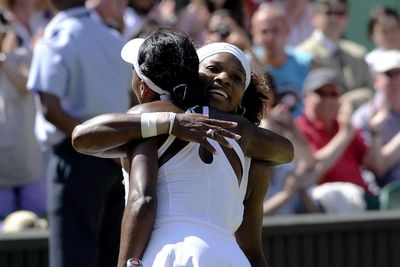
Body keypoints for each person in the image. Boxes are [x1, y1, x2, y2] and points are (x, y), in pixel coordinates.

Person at [72, 31, 293, 266]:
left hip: (172, 254)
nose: (224, 78)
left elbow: (141, 199)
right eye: (213, 68)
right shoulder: (250, 145)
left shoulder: (152, 118)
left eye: (237, 77)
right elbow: (252, 250)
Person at [26, 0, 133, 266]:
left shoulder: (55, 40)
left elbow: (50, 108)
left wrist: (94, 142)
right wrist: (110, 149)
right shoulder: (114, 39)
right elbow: (132, 100)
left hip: (76, 160)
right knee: (110, 256)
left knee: (72, 259)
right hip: (114, 163)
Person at [295, 68, 381, 212]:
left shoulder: (343, 125)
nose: (328, 100)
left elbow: (374, 165)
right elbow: (315, 167)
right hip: (330, 207)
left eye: (333, 94)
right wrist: (345, 134)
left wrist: (375, 131)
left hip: (363, 198)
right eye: (321, 94)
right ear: (305, 96)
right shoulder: (298, 128)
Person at [0, 13, 46, 222]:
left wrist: (4, 60)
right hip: (3, 166)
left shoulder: (21, 57)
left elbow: (26, 85)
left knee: (36, 222)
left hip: (27, 160)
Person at [297, 0, 373, 108]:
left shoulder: (358, 53)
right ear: (314, 17)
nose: (334, 18)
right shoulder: (303, 54)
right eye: (328, 12)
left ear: (347, 18)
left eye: (340, 13)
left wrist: (348, 101)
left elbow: (371, 91)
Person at [250, 2, 313, 116]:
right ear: (253, 33)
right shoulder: (246, 63)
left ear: (287, 30)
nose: (270, 37)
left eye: (275, 30)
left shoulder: (306, 63)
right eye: (264, 31)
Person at [352, 50, 400, 189]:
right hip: (389, 192)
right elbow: (377, 168)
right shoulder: (364, 117)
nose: (396, 81)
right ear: (375, 80)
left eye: (399, 74)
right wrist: (376, 132)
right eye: (389, 75)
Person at [365, 5, 400, 72]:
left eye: (394, 29)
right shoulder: (368, 62)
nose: (391, 35)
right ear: (372, 34)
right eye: (384, 31)